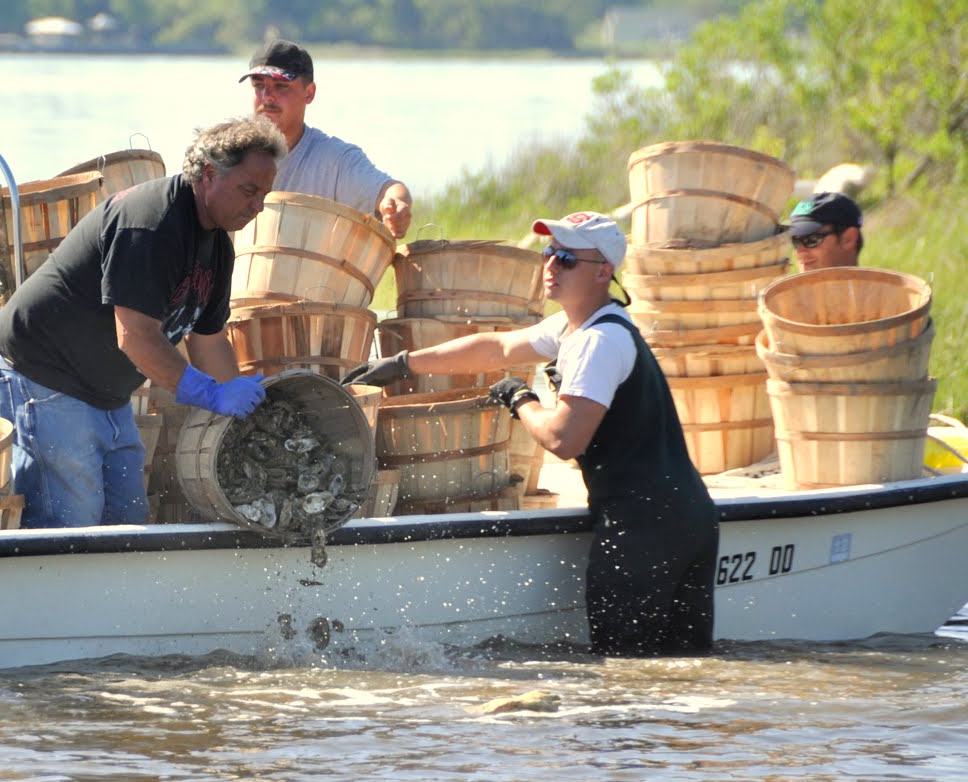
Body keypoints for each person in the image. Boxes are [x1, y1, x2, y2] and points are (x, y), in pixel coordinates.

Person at [343, 211, 717, 657]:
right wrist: (405, 363)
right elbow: (498, 347)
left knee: (623, 677)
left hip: (643, 528)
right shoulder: (584, 325)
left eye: (565, 258)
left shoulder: (596, 343)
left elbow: (563, 439)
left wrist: (522, 400)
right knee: (687, 673)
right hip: (688, 517)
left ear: (604, 272)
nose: (551, 267)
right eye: (548, 255)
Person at [0, 116, 287, 529]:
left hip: (106, 393)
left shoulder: (217, 245)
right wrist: (210, 395)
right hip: (42, 374)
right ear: (210, 173)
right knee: (72, 525)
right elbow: (137, 338)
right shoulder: (151, 223)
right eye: (248, 191)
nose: (256, 207)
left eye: (263, 196)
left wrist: (242, 418)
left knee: (127, 521)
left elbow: (209, 341)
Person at [240, 39, 412, 239]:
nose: (267, 97)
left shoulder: (336, 160)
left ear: (309, 93)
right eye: (259, 85)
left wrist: (395, 206)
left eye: (280, 86)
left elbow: (391, 189)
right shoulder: (229, 154)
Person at [788, 191, 863, 271]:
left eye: (811, 239)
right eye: (795, 241)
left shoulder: (876, 283)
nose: (800, 252)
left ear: (848, 239)